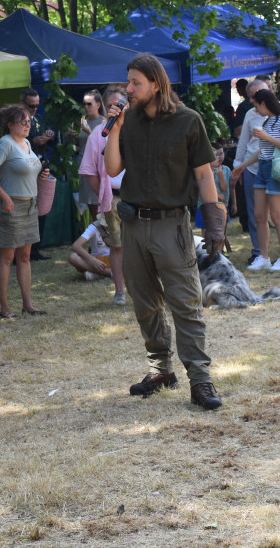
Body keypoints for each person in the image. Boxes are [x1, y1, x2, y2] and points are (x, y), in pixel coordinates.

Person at [104, 53, 226, 411]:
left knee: (185, 303)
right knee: (145, 304)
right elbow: (113, 169)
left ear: (156, 84)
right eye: (128, 82)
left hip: (172, 225)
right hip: (133, 226)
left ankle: (200, 380)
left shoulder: (189, 121)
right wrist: (115, 126)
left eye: (135, 83)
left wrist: (214, 220)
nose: (128, 89)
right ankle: (161, 370)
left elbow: (204, 174)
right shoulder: (129, 122)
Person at [232, 79, 280, 264]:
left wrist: (266, 136)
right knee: (259, 215)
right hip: (260, 169)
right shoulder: (265, 120)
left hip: (278, 169)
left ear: (265, 101)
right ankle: (263, 256)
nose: (252, 104)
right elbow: (262, 150)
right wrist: (241, 165)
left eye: (255, 101)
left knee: (278, 215)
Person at [0, 104, 50, 318]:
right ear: (10, 124)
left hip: (30, 204)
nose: (28, 125)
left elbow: (26, 171)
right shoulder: (5, 144)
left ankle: (28, 304)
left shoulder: (27, 143)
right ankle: (5, 308)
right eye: (24, 122)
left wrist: (41, 176)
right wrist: (4, 197)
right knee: (7, 256)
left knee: (25, 255)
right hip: (11, 206)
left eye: (29, 121)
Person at [79, 85, 128, 305]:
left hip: (141, 197)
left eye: (119, 104)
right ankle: (120, 291)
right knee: (116, 246)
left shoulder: (138, 127)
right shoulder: (100, 133)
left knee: (144, 244)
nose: (114, 109)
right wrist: (105, 193)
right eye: (110, 105)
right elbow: (88, 170)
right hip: (114, 198)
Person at [21, 88, 54, 261]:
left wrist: (50, 135)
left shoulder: (40, 119)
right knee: (26, 209)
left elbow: (52, 137)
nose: (34, 109)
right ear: (22, 104)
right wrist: (33, 141)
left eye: (36, 106)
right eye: (31, 106)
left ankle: (35, 249)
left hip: (41, 166)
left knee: (41, 207)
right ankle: (24, 250)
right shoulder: (16, 122)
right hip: (24, 170)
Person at [76, 90, 106, 217]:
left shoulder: (103, 122)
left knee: (99, 210)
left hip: (97, 169)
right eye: (84, 104)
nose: (86, 107)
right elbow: (83, 145)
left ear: (98, 104)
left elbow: (104, 146)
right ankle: (100, 235)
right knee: (92, 209)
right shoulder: (83, 120)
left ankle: (103, 235)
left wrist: (89, 131)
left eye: (89, 104)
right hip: (84, 167)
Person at [68, 213, 113, 281]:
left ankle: (99, 274)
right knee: (73, 257)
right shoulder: (94, 226)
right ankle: (110, 273)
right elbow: (75, 246)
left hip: (116, 260)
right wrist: (93, 260)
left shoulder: (122, 225)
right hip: (97, 263)